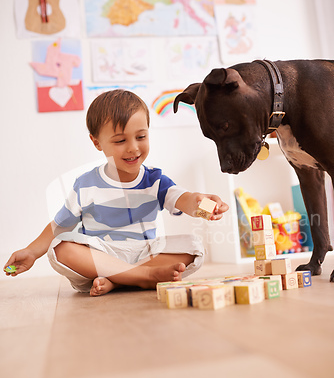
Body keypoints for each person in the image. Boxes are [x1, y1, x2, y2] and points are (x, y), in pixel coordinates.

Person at [4, 90, 229, 297]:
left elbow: (185, 199)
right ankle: (143, 277)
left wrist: (205, 205)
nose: (133, 148)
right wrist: (32, 252)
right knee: (60, 248)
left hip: (144, 253)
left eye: (141, 137)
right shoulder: (86, 184)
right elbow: (59, 226)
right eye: (120, 141)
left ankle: (120, 280)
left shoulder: (156, 180)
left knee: (194, 246)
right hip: (101, 255)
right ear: (96, 142)